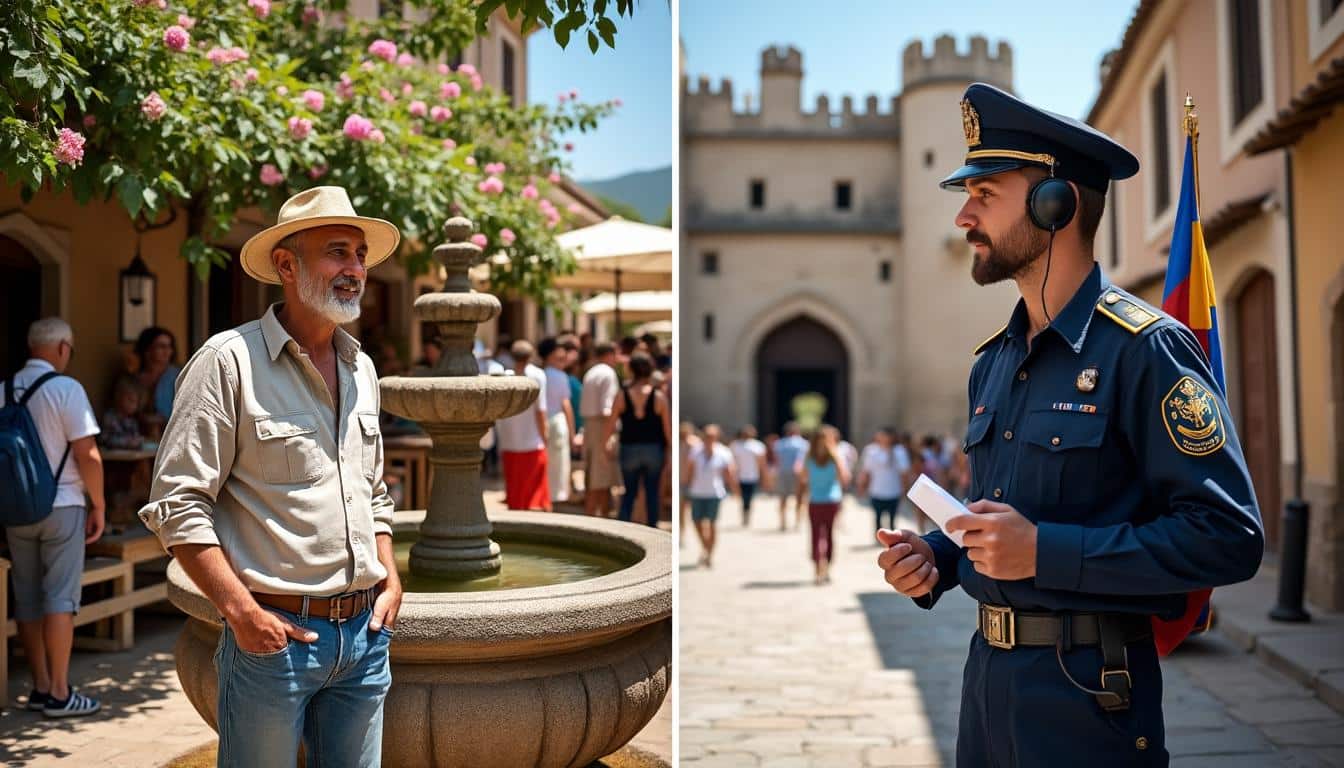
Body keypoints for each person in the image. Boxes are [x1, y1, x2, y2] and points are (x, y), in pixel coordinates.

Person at [875, 83, 1264, 766]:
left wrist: (1045, 553)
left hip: (1089, 701)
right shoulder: (992, 364)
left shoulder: (1146, 349)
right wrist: (939, 557)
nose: (964, 216)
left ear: (1056, 203)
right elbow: (1010, 516)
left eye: (985, 194)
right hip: (985, 691)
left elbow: (1229, 538)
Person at [138, 186, 404, 766]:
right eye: (337, 251)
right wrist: (241, 613)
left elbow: (374, 489)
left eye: (360, 255)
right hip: (272, 641)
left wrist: (391, 576)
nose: (355, 269)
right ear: (286, 264)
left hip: (365, 638)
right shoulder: (227, 361)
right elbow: (178, 503)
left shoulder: (362, 368)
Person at [6, 317, 106, 717]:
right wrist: (97, 504)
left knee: (27, 599)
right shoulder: (67, 389)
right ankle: (62, 694)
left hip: (16, 508)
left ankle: (41, 686)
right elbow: (88, 454)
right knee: (60, 600)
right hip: (63, 505)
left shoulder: (2, 391)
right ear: (63, 347)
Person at [606, 351, 670, 527]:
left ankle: (624, 530)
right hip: (653, 450)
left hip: (629, 448)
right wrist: (670, 452)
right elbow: (667, 430)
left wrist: (607, 443)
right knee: (652, 492)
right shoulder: (658, 397)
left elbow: (610, 425)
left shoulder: (622, 395)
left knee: (629, 492)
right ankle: (653, 530)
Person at [495, 340, 551, 511]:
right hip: (532, 441)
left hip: (509, 441)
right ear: (531, 355)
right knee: (535, 495)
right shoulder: (538, 375)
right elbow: (540, 410)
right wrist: (545, 435)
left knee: (515, 493)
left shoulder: (504, 376)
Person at [683, 423, 736, 567]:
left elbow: (729, 474)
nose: (709, 438)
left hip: (714, 493)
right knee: (696, 522)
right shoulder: (696, 451)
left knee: (712, 524)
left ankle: (709, 554)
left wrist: (735, 492)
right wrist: (685, 487)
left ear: (717, 437)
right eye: (707, 436)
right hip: (697, 492)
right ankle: (706, 546)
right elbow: (689, 470)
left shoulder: (724, 452)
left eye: (712, 436)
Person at [802, 426, 849, 585]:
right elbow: (844, 478)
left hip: (815, 501)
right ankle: (827, 569)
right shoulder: (835, 458)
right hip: (831, 500)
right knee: (829, 535)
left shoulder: (808, 458)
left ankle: (817, 570)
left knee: (815, 535)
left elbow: (803, 478)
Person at [580, 341, 621, 517]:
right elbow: (607, 409)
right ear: (609, 354)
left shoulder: (591, 372)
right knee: (602, 479)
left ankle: (593, 516)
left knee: (593, 478)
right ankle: (601, 520)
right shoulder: (608, 373)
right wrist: (610, 434)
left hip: (590, 426)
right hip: (602, 426)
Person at [537, 337, 575, 505]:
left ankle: (547, 497)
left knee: (548, 462)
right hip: (558, 423)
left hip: (544, 422)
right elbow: (566, 405)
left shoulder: (541, 374)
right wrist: (573, 433)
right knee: (558, 464)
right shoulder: (559, 375)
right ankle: (556, 499)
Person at [858, 427, 910, 534]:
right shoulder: (871, 450)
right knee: (877, 517)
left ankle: (892, 538)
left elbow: (904, 472)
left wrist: (905, 488)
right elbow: (867, 471)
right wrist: (862, 486)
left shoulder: (899, 451)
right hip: (876, 490)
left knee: (892, 518)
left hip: (894, 491)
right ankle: (879, 536)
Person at [132, 325, 180, 436]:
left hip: (172, 437)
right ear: (147, 349)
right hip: (136, 439)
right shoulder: (134, 378)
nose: (167, 351)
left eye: (169, 346)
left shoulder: (179, 376)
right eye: (162, 346)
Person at [772, 422, 809, 531]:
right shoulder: (803, 444)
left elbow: (776, 460)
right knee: (799, 497)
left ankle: (783, 522)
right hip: (798, 473)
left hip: (783, 472)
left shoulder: (779, 443)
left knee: (783, 497)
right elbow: (802, 460)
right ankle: (797, 521)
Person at [728, 425, 767, 528]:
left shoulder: (758, 446)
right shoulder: (735, 445)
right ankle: (744, 514)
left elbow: (762, 463)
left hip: (752, 476)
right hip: (739, 476)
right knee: (741, 497)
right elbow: (731, 461)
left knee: (749, 497)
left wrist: (764, 476)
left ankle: (747, 515)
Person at [100, 376, 146, 449]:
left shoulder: (132, 422)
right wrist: (126, 442)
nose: (132, 405)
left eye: (135, 402)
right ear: (118, 396)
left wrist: (137, 441)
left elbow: (135, 437)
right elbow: (104, 440)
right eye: (130, 399)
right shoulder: (109, 418)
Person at [678, 422, 701, 543]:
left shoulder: (695, 444)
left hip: (693, 482)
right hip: (681, 481)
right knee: (681, 510)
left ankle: (696, 535)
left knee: (695, 512)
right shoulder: (679, 443)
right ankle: (682, 534)